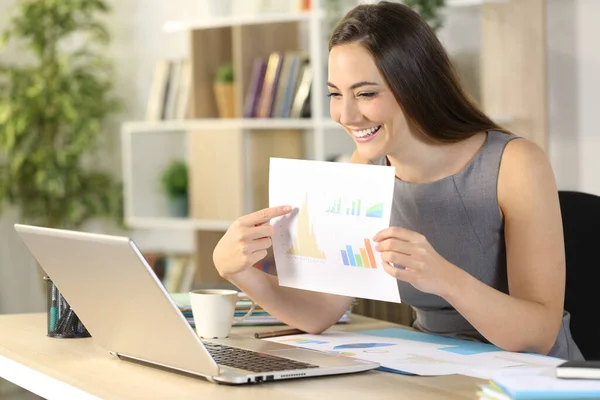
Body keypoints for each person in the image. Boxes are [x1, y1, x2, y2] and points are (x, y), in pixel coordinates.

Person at [213, 1, 583, 360]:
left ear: (416, 84)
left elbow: (539, 333)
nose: (346, 114)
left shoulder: (515, 164)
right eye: (335, 94)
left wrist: (444, 278)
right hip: (435, 367)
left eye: (366, 93)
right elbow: (319, 312)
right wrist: (238, 271)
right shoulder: (367, 166)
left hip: (531, 375)